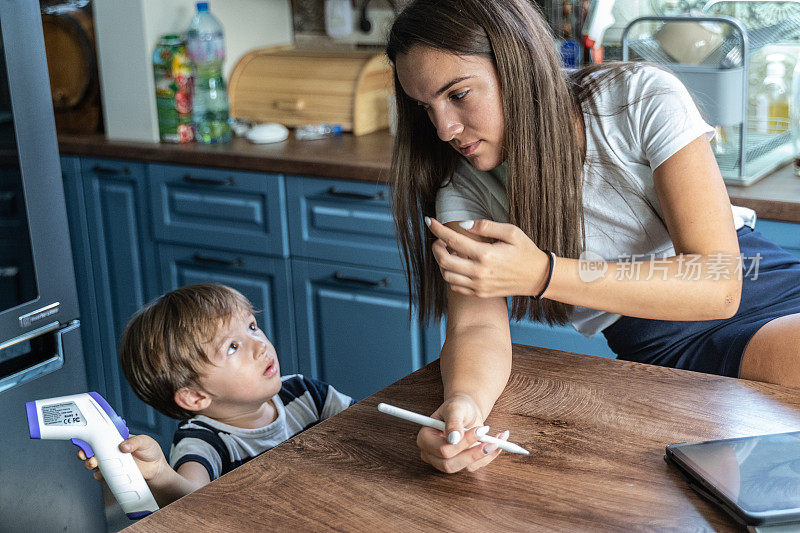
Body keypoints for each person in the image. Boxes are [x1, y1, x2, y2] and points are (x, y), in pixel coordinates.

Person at [385, 0, 800, 474]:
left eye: (458, 94)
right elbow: (476, 327)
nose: (444, 129)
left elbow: (720, 285)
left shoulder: (636, 98)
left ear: (516, 64)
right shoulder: (463, 189)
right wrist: (464, 406)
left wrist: (545, 274)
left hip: (763, 284)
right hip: (661, 349)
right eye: (425, 108)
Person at [77, 284, 353, 506]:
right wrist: (160, 475)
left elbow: (363, 428)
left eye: (252, 327)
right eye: (232, 347)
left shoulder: (304, 392)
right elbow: (190, 497)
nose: (260, 346)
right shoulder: (201, 442)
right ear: (196, 397)